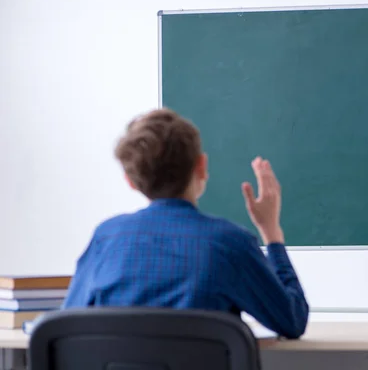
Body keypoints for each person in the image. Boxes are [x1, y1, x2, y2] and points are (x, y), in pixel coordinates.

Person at [62, 108, 309, 339]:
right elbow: (292, 321)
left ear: (131, 180)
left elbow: (66, 324)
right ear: (201, 167)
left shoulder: (106, 240)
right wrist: (271, 233)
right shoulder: (230, 244)